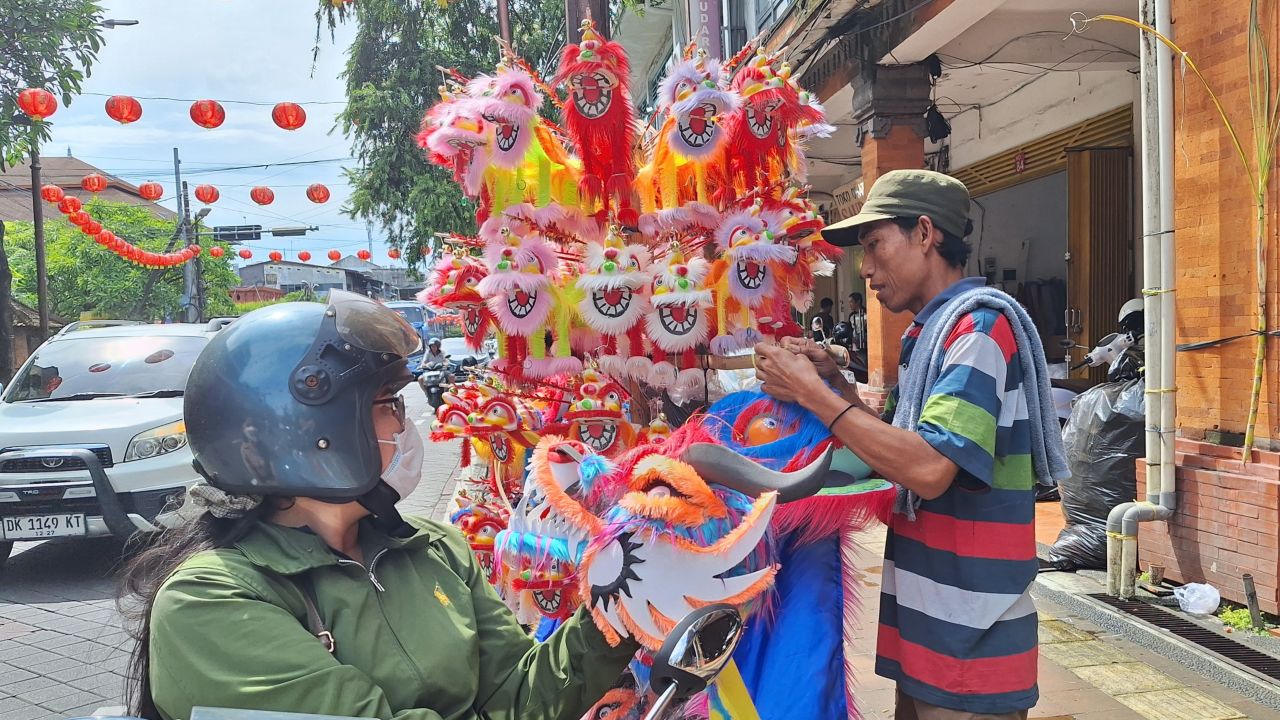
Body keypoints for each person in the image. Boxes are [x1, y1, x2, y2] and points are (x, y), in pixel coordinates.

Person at [120, 291, 637, 720]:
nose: (404, 426)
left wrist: (621, 604)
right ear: (306, 435)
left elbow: (521, 697)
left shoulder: (433, 550)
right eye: (387, 404)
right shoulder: (210, 601)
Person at [752, 170, 1068, 720]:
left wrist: (814, 395)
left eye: (875, 245)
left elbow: (927, 468)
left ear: (925, 233)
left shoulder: (979, 330)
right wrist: (838, 386)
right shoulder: (932, 333)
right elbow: (899, 444)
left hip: (971, 638)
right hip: (934, 627)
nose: (865, 268)